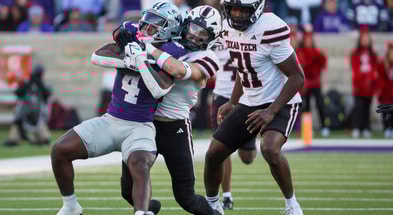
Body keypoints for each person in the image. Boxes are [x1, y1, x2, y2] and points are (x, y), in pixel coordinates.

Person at [51, 2, 185, 215]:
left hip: (140, 125)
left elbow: (159, 88)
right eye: (147, 21)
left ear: (169, 28)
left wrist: (140, 60)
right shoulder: (133, 33)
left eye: (155, 24)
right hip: (110, 119)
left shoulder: (171, 50)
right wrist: (129, 59)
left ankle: (143, 212)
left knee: (140, 164)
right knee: (60, 150)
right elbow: (98, 56)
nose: (147, 27)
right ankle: (71, 206)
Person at [203, 0, 305, 215]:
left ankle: (292, 206)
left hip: (281, 101)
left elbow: (297, 77)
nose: (237, 14)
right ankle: (212, 205)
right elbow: (245, 67)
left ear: (256, 9)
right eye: (233, 9)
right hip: (250, 101)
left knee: (269, 149)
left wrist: (271, 111)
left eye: (243, 9)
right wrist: (232, 101)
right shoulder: (228, 29)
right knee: (213, 154)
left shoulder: (270, 28)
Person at [120, 5, 223, 215]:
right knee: (127, 191)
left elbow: (177, 69)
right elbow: (129, 28)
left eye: (203, 34)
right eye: (193, 29)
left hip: (175, 128)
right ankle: (151, 208)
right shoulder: (168, 41)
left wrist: (146, 47)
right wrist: (124, 33)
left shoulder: (207, 57)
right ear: (184, 25)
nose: (194, 36)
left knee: (186, 198)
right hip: (145, 124)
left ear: (212, 38)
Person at [211, 35, 257, 210]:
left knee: (247, 157)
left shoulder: (250, 36)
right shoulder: (216, 36)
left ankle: (246, 140)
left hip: (247, 97)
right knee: (220, 148)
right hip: (222, 96)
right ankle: (227, 196)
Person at [3, 64, 51, 147]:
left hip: (35, 110)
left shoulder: (39, 83)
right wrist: (29, 82)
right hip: (28, 108)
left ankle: (39, 138)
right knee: (19, 121)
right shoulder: (29, 82)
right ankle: (14, 139)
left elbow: (47, 94)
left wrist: (35, 82)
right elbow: (18, 92)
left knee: (38, 124)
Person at [296, 30, 329, 137]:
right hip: (306, 84)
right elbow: (302, 65)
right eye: (307, 39)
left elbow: (323, 62)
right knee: (306, 106)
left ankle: (324, 127)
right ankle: (307, 129)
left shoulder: (316, 51)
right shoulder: (300, 51)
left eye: (310, 39)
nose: (308, 41)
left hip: (316, 83)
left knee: (320, 104)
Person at [350, 27, 378, 138]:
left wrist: (370, 79)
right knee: (358, 107)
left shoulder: (373, 54)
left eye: (367, 38)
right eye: (363, 38)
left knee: (367, 107)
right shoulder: (355, 53)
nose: (365, 40)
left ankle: (366, 127)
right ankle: (356, 127)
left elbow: (375, 68)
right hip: (358, 85)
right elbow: (355, 69)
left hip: (369, 86)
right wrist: (363, 78)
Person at [376, 41, 393, 138]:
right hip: (386, 92)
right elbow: (380, 77)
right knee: (386, 111)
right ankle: (387, 128)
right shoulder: (383, 64)